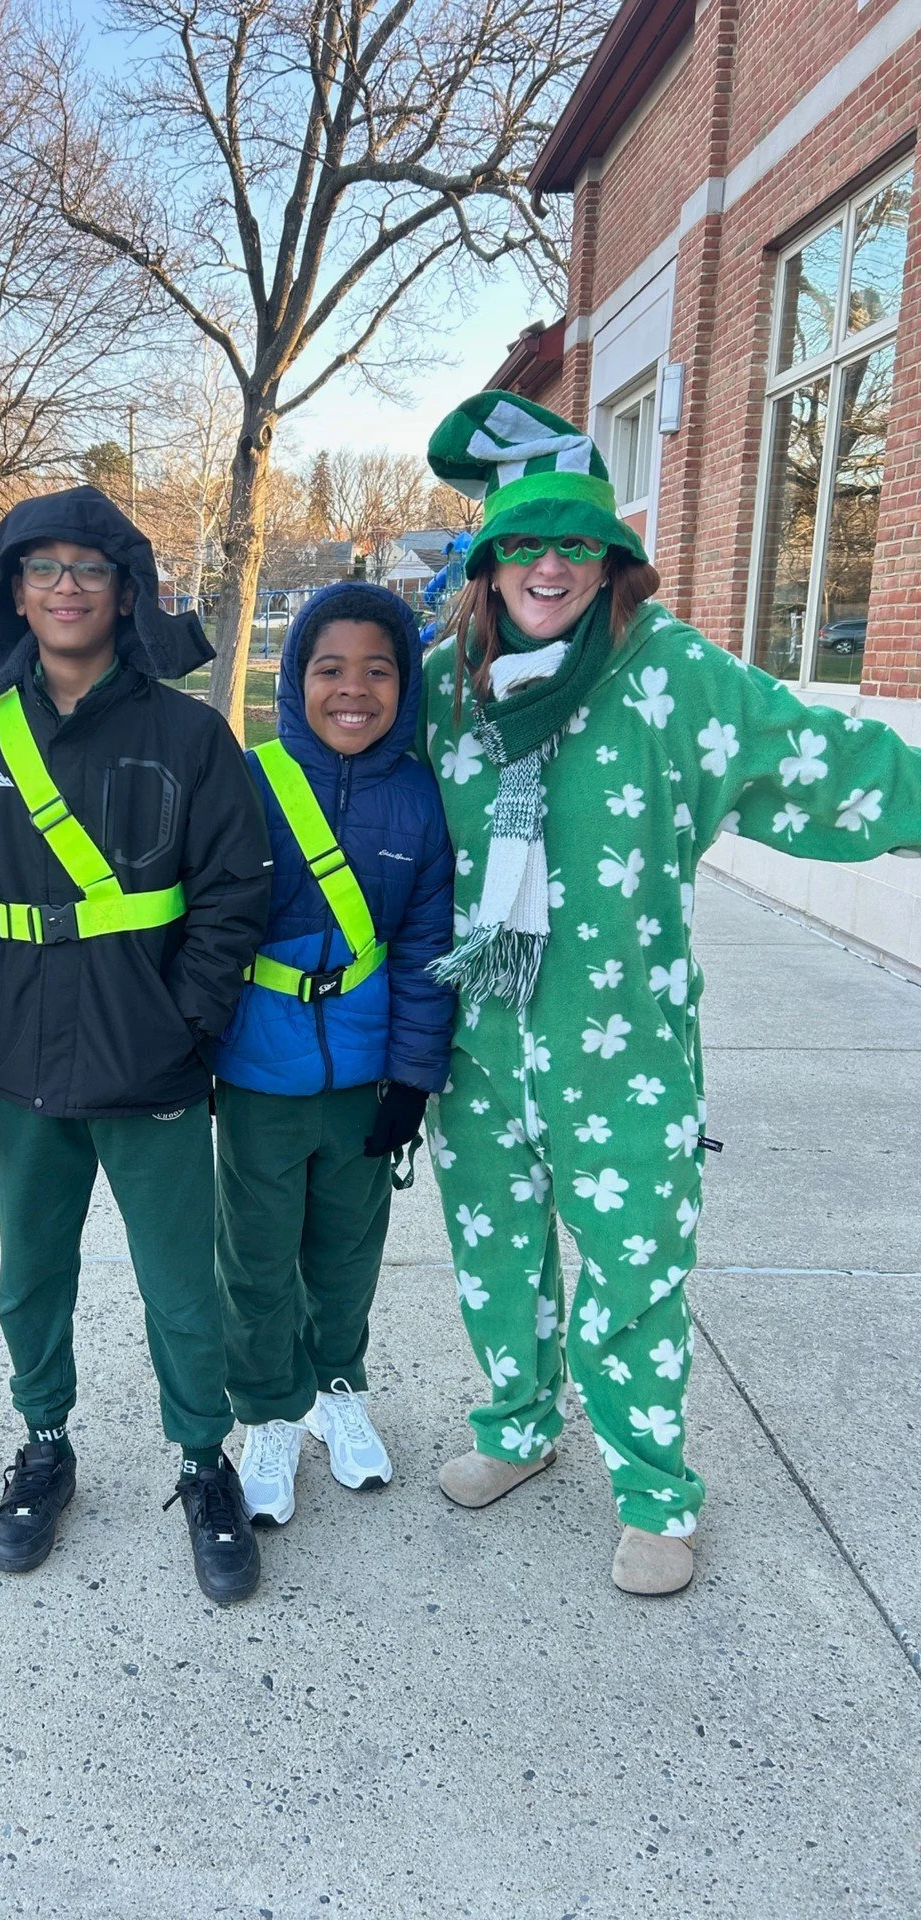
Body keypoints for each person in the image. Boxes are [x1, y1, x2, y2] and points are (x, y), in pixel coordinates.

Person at [419, 389, 921, 1595]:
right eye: (524, 545)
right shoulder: (446, 685)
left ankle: (653, 1488)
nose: (550, 565)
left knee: (634, 1263)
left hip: (621, 1041)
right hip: (477, 1040)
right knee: (494, 1249)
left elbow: (816, 757)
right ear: (486, 565)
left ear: (611, 561)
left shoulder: (672, 673)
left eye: (577, 544)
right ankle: (519, 1425)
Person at [0, 487, 273, 1605]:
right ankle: (43, 1447)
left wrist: (189, 1022)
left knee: (181, 1285)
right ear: (12, 591)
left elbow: (233, 894)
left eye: (89, 568)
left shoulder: (186, 733)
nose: (65, 586)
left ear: (128, 592)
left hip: (154, 1063)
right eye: (42, 567)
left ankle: (201, 1463)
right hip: (22, 1066)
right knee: (32, 1277)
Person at [211, 583, 456, 1525]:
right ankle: (268, 1410)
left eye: (378, 670)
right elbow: (206, 927)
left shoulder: (421, 802)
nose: (353, 690)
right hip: (260, 1073)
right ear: (294, 679)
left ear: (405, 685)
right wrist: (198, 1055)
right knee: (259, 1254)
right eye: (329, 669)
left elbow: (429, 949)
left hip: (364, 1077)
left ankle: (336, 1389)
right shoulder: (250, 778)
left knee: (348, 1250)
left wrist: (413, 1077)